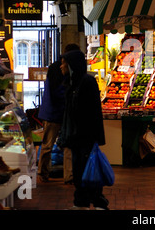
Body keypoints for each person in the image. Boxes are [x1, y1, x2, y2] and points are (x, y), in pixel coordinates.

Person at [57, 49, 108, 210]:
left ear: (72, 65)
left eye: (64, 63)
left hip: (85, 136)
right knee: (79, 171)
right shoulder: (71, 83)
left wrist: (93, 136)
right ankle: (81, 201)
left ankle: (98, 202)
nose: (61, 67)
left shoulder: (87, 82)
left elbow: (93, 112)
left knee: (89, 170)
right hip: (75, 137)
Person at [37, 43, 80, 183]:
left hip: (57, 111)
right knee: (51, 144)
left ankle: (51, 174)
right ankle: (45, 172)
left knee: (59, 144)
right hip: (55, 112)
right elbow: (57, 91)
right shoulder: (58, 68)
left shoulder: (61, 67)